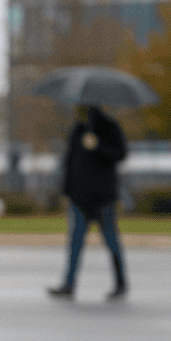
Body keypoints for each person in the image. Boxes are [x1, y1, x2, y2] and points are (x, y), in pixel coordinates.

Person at [47, 104, 128, 300]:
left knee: (110, 240)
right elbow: (70, 161)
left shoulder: (110, 128)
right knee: (75, 242)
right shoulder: (79, 129)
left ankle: (120, 282)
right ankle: (69, 283)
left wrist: (98, 146)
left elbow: (121, 154)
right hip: (79, 197)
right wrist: (66, 191)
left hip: (103, 197)